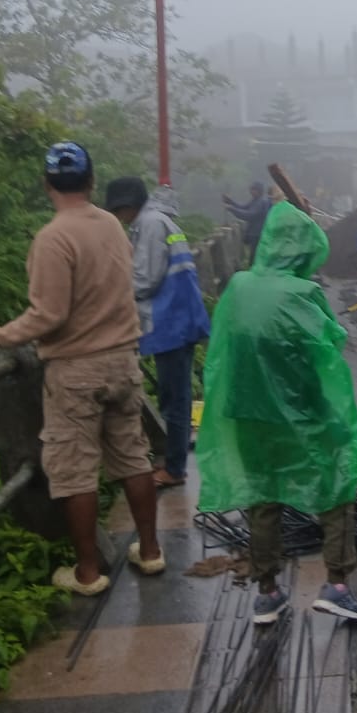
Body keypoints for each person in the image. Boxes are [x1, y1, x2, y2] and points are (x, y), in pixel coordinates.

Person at [0, 142, 162, 595]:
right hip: (122, 360)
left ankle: (88, 573)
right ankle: (150, 551)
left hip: (76, 369)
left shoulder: (53, 238)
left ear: (47, 184)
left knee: (74, 471)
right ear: (92, 182)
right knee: (133, 456)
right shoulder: (112, 224)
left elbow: (48, 316)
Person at [194, 201, 357, 627]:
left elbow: (223, 350)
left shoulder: (237, 286)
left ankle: (268, 593)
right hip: (301, 410)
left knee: (262, 496)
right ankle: (337, 586)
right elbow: (330, 343)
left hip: (247, 411)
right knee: (335, 486)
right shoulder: (303, 293)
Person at [105, 177, 212, 489]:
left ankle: (175, 469)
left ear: (126, 205)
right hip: (179, 318)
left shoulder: (150, 224)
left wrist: (113, 296)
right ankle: (173, 459)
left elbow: (145, 278)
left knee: (173, 398)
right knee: (174, 395)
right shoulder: (160, 220)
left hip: (171, 322)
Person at [222, 182, 272, 262]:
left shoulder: (261, 202)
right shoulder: (255, 200)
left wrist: (232, 209)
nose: (251, 192)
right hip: (254, 233)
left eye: (253, 190)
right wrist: (230, 202)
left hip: (258, 234)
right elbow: (244, 208)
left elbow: (249, 215)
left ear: (258, 191)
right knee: (253, 255)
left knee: (254, 256)